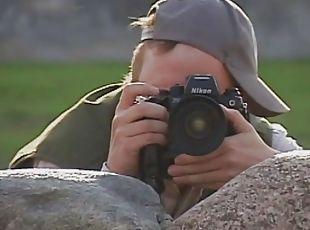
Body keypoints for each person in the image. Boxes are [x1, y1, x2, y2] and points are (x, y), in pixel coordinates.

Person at [9, 0, 302, 218]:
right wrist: (113, 182)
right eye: (168, 98)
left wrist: (273, 172)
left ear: (239, 102)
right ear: (130, 91)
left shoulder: (259, 141)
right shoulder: (68, 150)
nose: (191, 117)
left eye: (209, 101)